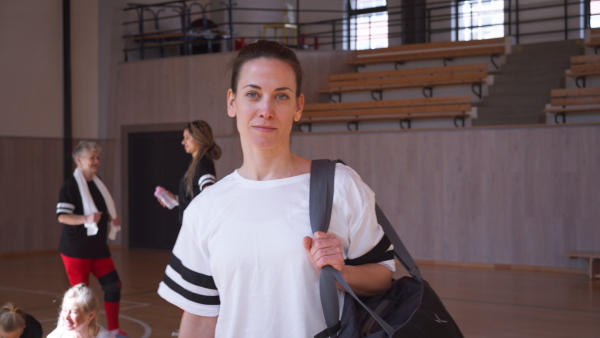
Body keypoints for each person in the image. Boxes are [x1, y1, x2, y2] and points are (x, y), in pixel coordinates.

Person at [157, 40, 395, 337]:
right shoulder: (206, 208)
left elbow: (384, 276)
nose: (265, 109)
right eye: (253, 94)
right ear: (232, 102)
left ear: (298, 106)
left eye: (281, 96)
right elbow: (200, 319)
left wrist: (340, 272)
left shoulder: (340, 184)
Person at [55, 141, 127, 338]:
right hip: (76, 251)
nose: (96, 161)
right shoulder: (70, 186)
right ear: (79, 160)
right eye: (92, 158)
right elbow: (62, 216)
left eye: (97, 157)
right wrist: (85, 218)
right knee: (81, 300)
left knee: (114, 286)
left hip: (98, 248)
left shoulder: (98, 183)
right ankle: (80, 335)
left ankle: (114, 330)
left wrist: (113, 217)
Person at [155, 120, 222, 224]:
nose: (183, 142)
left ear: (199, 138)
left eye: (187, 138)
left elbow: (209, 195)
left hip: (197, 230)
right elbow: (197, 196)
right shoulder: (197, 164)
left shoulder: (203, 164)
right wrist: (177, 199)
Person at [47, 284, 115, 338]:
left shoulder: (105, 336)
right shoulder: (56, 336)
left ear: (90, 316)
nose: (67, 317)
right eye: (64, 310)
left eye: (74, 312)